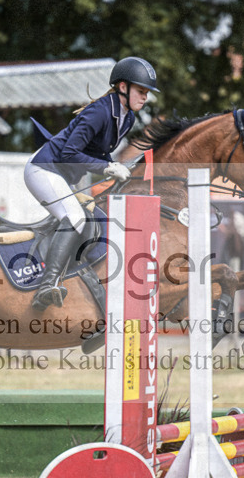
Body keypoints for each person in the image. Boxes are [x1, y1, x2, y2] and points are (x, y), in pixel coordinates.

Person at [24, 56, 159, 310]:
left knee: (90, 222)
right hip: (43, 168)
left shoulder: (127, 118)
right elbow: (69, 153)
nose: (145, 97)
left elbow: (99, 152)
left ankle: (76, 286)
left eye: (147, 92)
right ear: (122, 87)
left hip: (62, 175)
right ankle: (46, 285)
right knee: (76, 218)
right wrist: (108, 168)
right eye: (141, 91)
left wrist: (117, 168)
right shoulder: (99, 112)